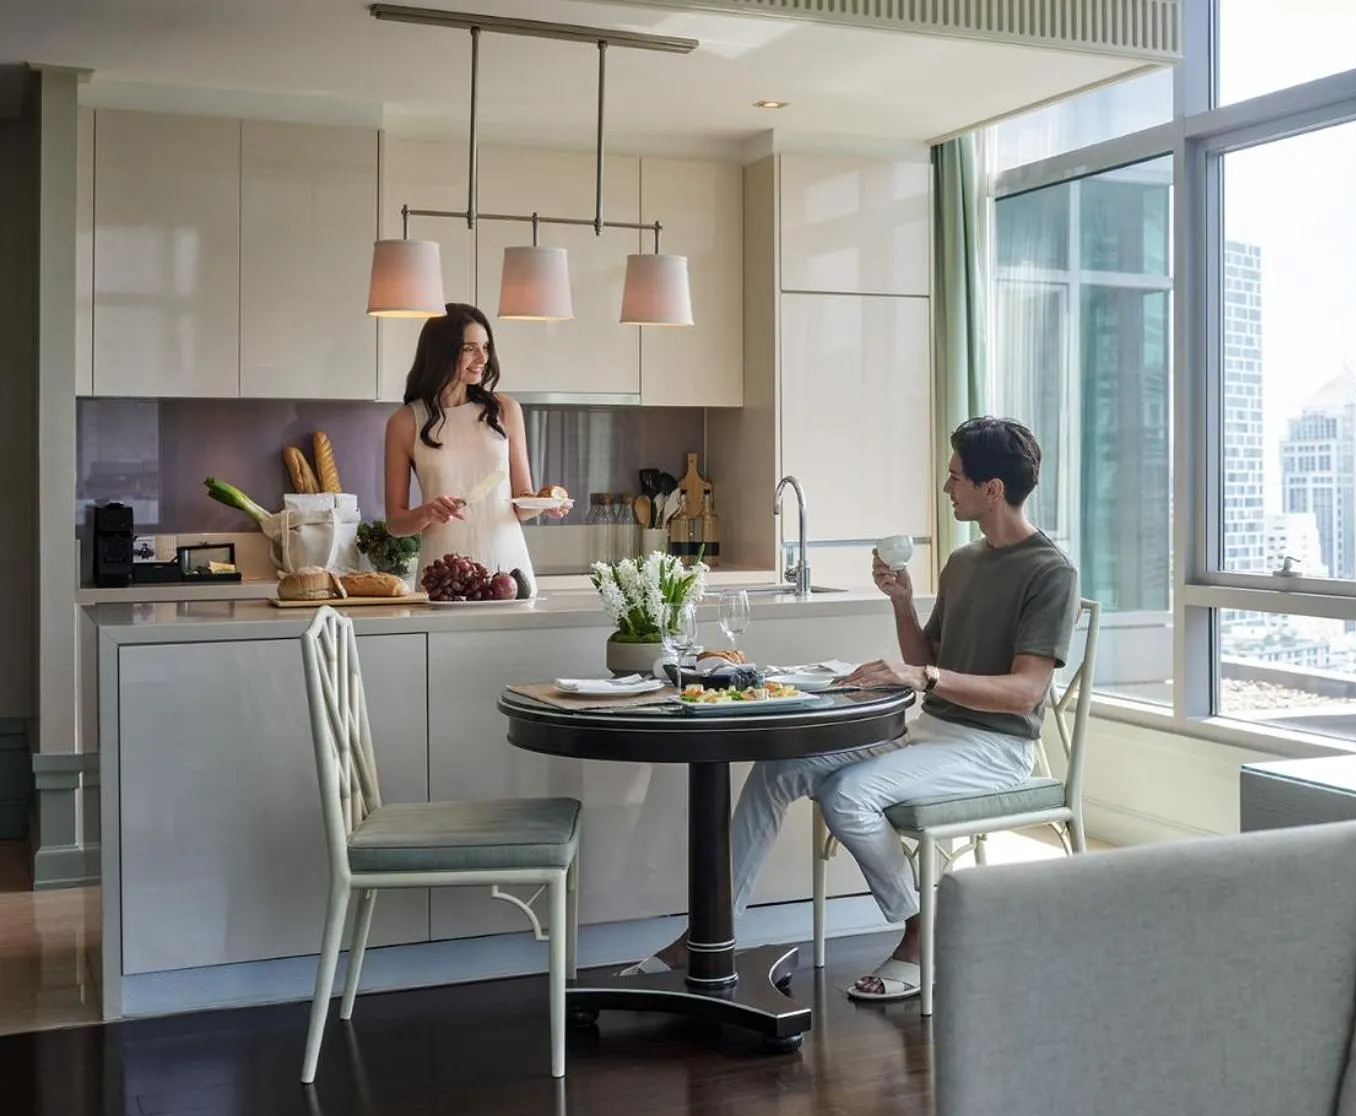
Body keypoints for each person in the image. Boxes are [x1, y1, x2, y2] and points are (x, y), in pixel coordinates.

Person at [633, 417, 1080, 1002]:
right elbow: (925, 656)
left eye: (955, 478)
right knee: (778, 767)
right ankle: (712, 933)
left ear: (992, 489)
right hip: (931, 729)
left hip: (995, 748)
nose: (947, 489)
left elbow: (1025, 693)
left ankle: (921, 930)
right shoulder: (963, 562)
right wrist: (900, 603)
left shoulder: (1050, 571)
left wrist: (923, 675)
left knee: (848, 792)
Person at [383, 304, 570, 592]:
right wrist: (427, 512)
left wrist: (544, 506)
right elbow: (395, 523)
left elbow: (521, 504)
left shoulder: (505, 410)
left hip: (508, 568)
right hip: (443, 575)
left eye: (485, 347)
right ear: (442, 352)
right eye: (470, 348)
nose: (482, 358)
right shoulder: (405, 423)